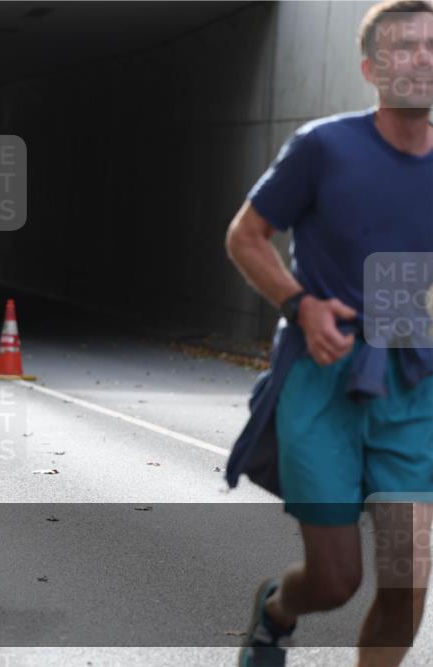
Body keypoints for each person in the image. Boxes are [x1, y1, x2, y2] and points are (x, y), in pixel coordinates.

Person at [224, 2, 433, 664]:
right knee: (337, 579)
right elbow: (246, 236)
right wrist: (300, 304)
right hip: (323, 382)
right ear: (371, 68)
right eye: (404, 47)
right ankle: (276, 608)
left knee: (406, 580)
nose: (423, 57)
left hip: (413, 389)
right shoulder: (324, 146)